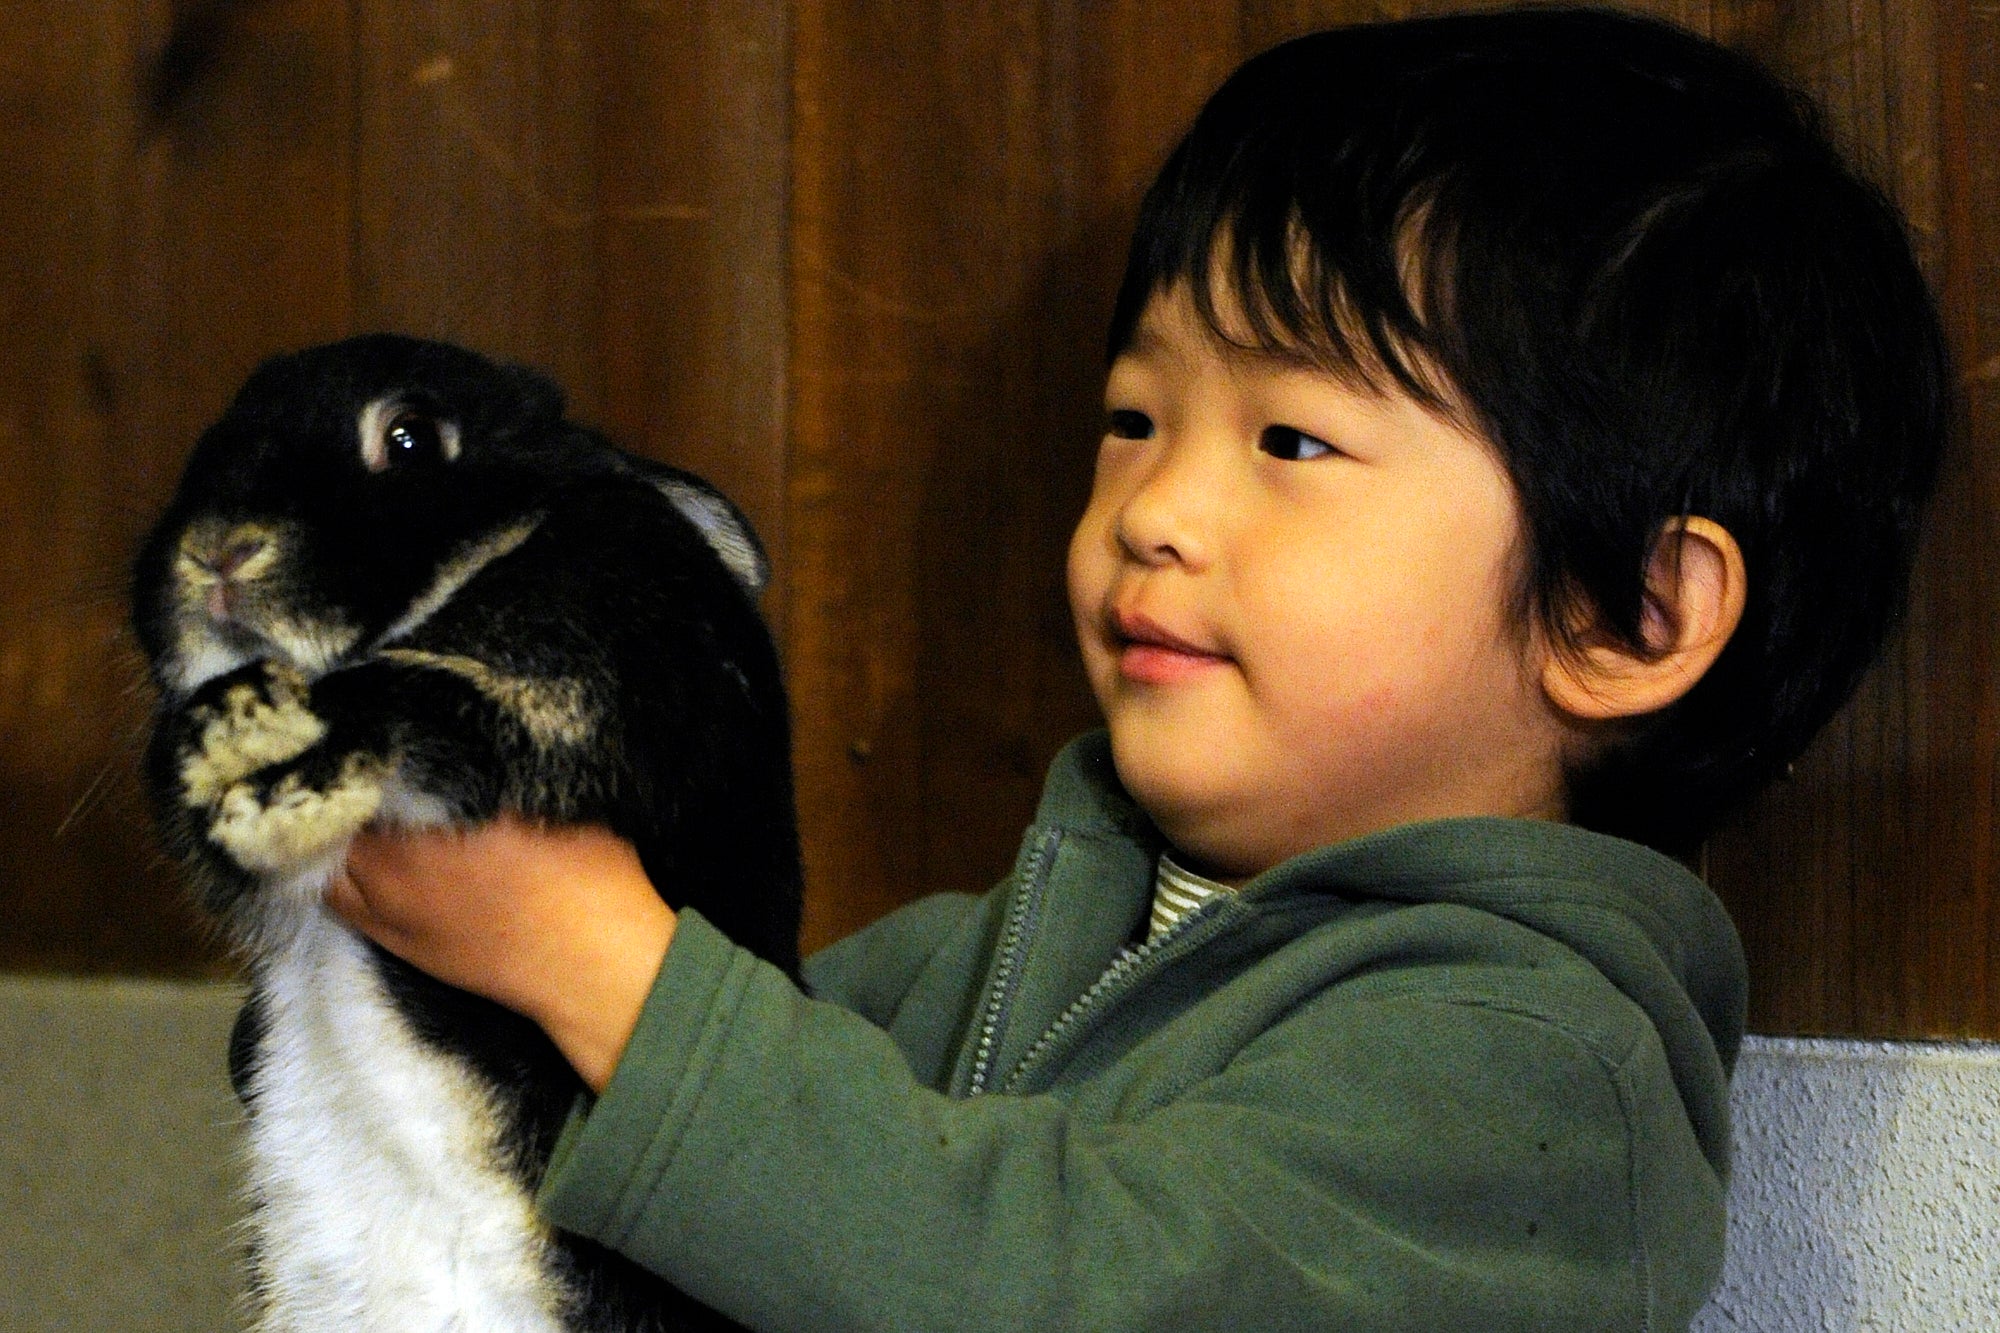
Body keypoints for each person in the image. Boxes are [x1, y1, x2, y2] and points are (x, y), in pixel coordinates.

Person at [328, 9, 1948, 1329]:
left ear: (1629, 618)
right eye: (1133, 418)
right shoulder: (985, 952)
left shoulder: (1537, 1076)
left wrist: (612, 971)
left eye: (1293, 437)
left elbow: (1076, 1289)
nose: (1154, 508)